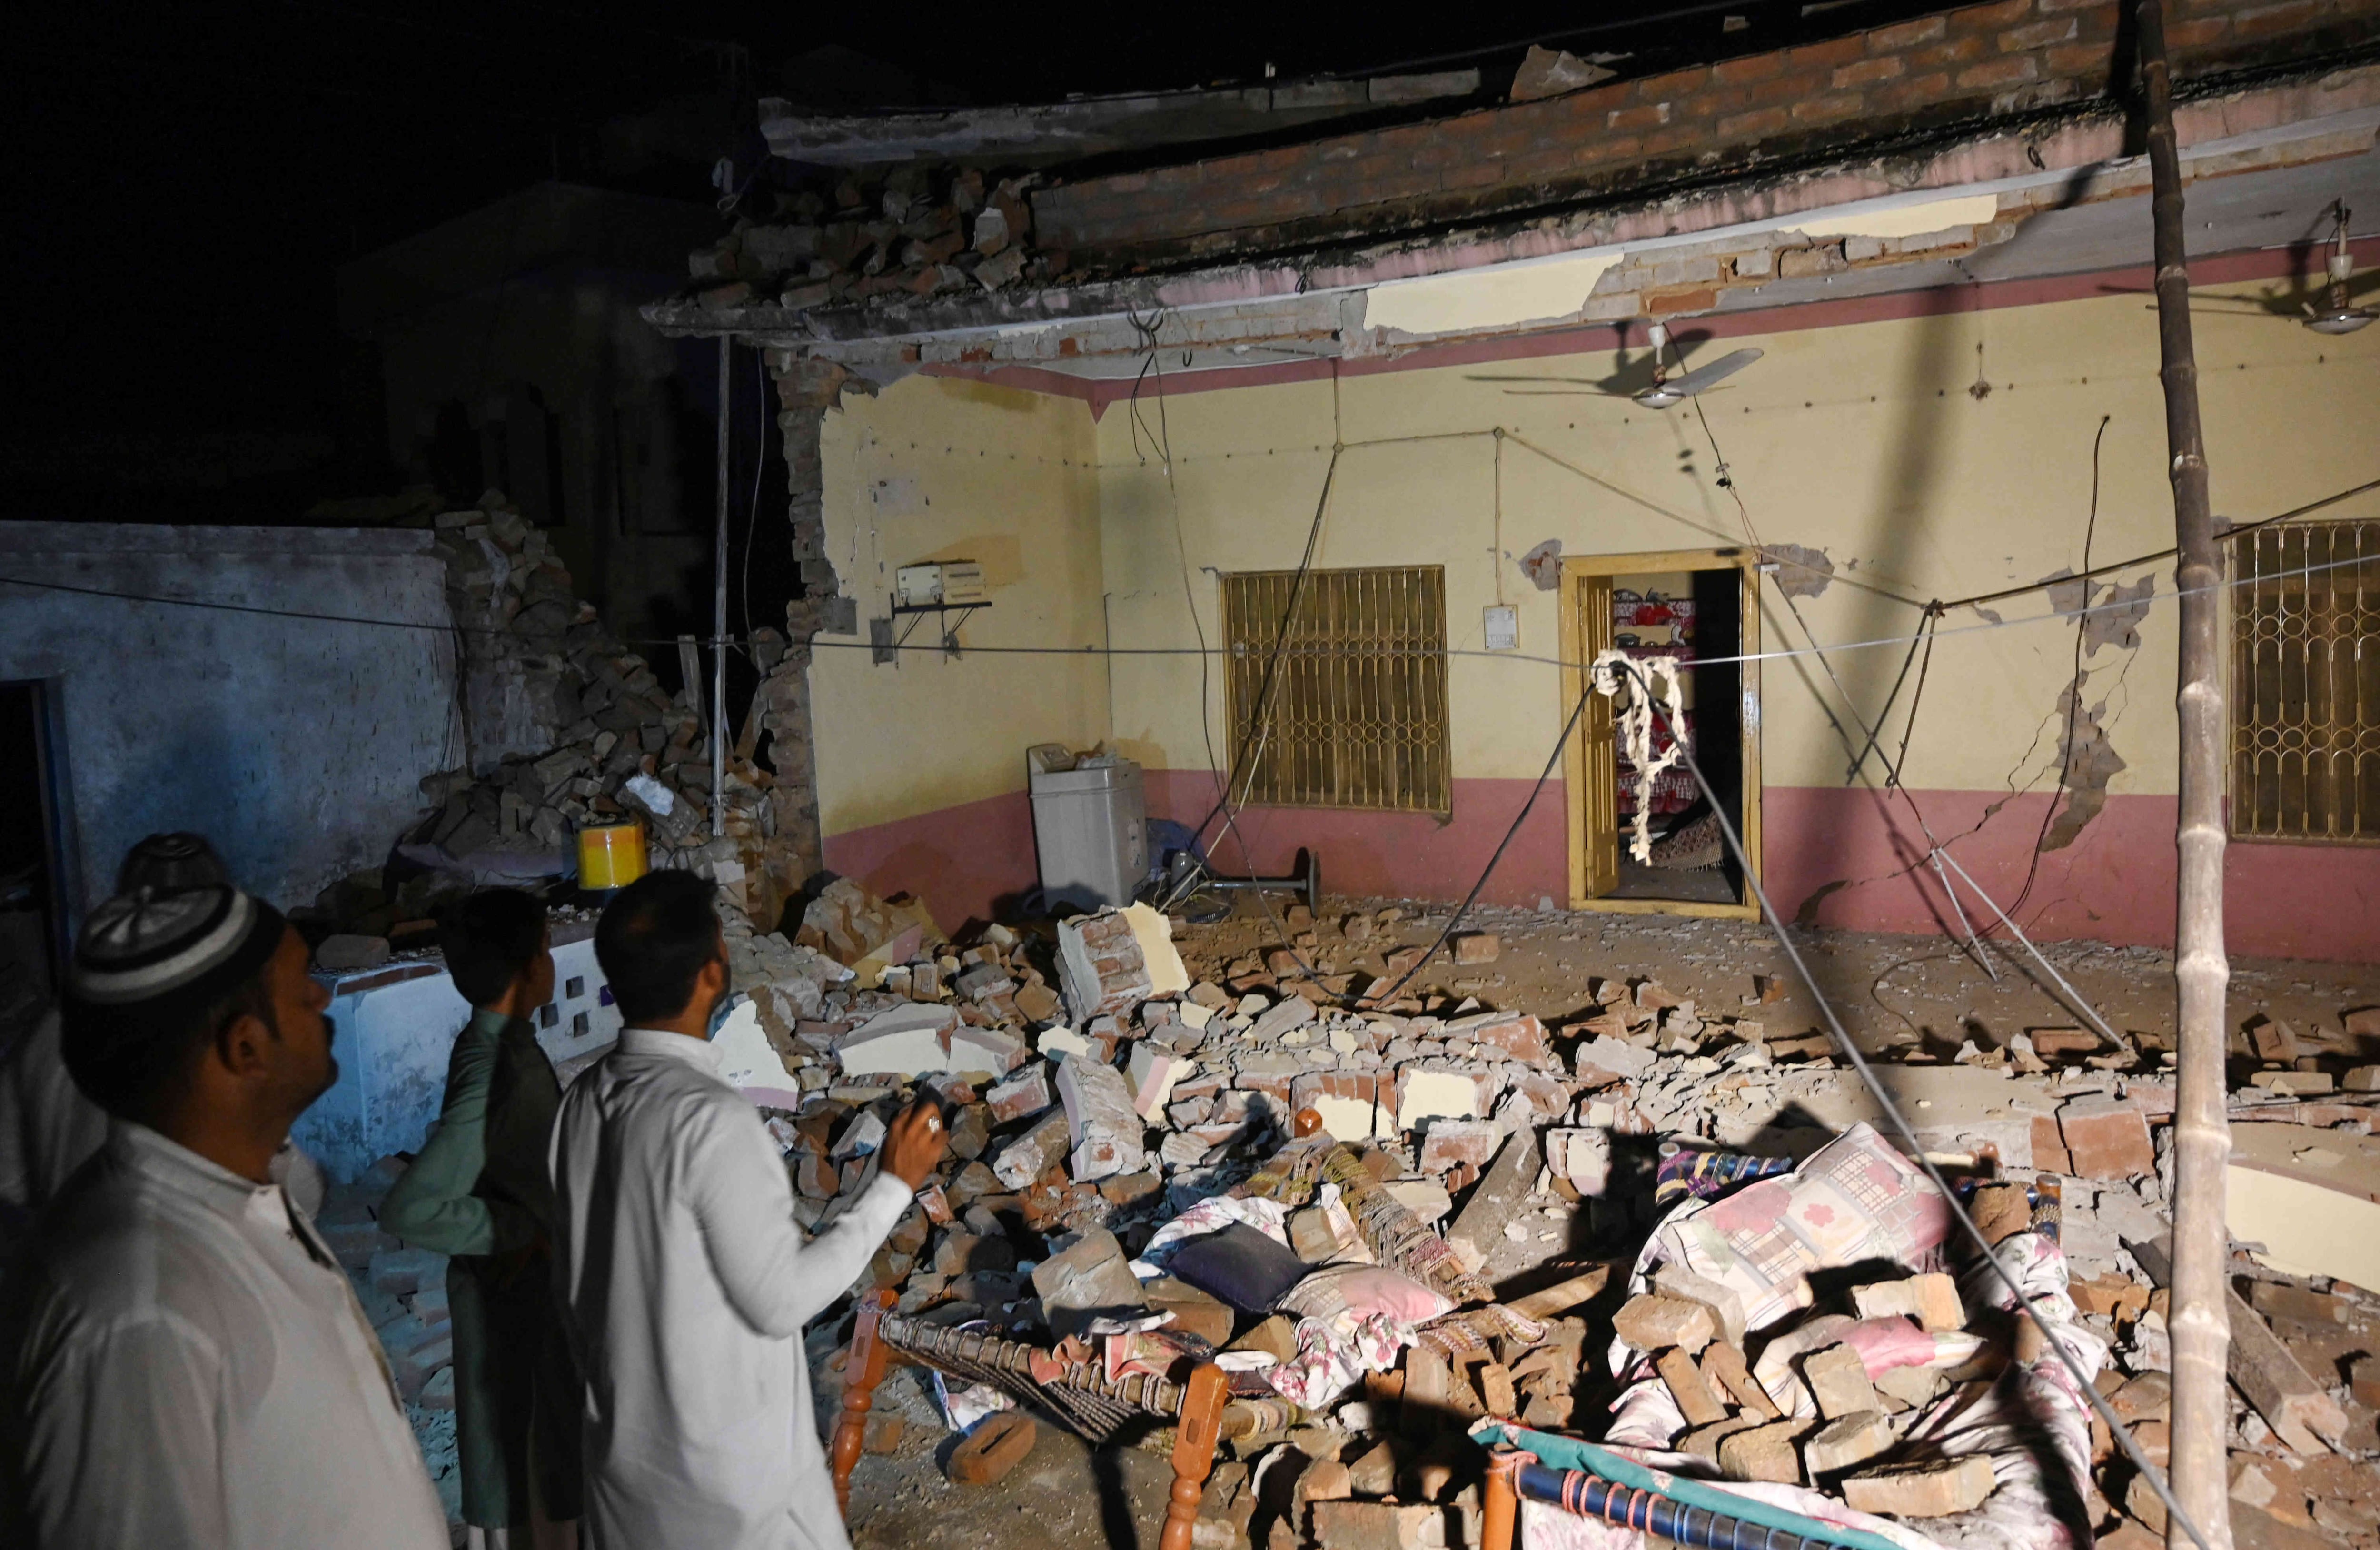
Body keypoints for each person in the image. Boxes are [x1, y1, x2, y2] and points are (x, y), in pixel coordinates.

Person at [0, 881, 448, 1547]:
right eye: (302, 988)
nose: (323, 997)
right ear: (245, 1049)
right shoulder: (142, 1310)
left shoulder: (244, 1197)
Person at [551, 870, 947, 1550]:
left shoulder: (580, 1104)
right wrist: (891, 1186)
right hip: (725, 1497)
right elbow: (779, 1301)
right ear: (712, 974)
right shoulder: (709, 1121)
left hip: (623, 1472)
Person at [0, 833, 323, 1267]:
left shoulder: (49, 1028)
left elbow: (10, 1176)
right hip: (179, 1284)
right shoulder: (215, 1039)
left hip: (73, 1276)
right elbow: (298, 1198)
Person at [380, 888, 583, 1547]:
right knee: (524, 1479)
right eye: (548, 949)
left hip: (518, 1298)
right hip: (512, 1303)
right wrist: (515, 1229)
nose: (551, 962)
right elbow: (413, 1206)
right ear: (530, 969)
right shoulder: (501, 1068)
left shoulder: (493, 1044)